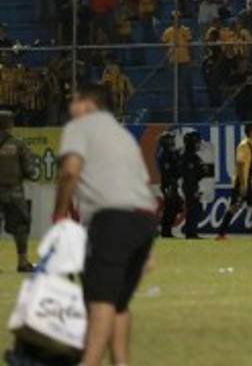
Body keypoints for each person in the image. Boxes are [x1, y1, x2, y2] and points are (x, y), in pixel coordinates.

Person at [53, 84, 157, 366]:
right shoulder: (123, 136)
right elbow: (142, 184)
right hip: (144, 221)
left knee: (100, 300)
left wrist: (59, 215)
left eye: (75, 100)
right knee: (118, 303)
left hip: (112, 220)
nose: (71, 106)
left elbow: (70, 171)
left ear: (88, 104)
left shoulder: (80, 126)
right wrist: (148, 250)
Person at [0, 110, 36, 271]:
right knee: (21, 225)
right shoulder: (19, 145)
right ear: (10, 125)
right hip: (14, 192)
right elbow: (31, 172)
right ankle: (22, 262)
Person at [218, 123, 252, 240]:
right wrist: (243, 185)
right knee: (234, 207)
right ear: (251, 132)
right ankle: (221, 233)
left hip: (251, 182)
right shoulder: (244, 145)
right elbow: (240, 164)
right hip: (242, 182)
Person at [155, 131, 182, 239]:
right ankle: (165, 231)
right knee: (170, 208)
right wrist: (170, 186)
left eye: (172, 139)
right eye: (169, 139)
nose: (172, 141)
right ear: (164, 142)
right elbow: (167, 173)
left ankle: (166, 230)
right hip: (168, 184)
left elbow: (177, 170)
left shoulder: (172, 153)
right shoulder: (164, 155)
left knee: (176, 206)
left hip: (173, 183)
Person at [180, 129, 206, 239]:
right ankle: (191, 232)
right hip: (190, 186)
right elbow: (190, 176)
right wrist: (194, 190)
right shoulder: (189, 157)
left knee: (195, 208)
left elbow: (198, 173)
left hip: (191, 185)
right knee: (194, 209)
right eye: (197, 142)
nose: (199, 145)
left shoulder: (191, 156)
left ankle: (191, 231)